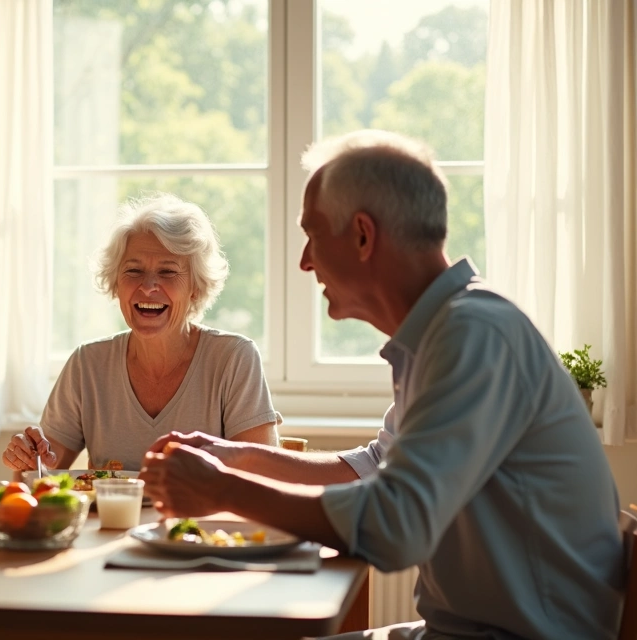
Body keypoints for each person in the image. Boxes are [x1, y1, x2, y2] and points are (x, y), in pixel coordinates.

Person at [140, 130, 624, 640]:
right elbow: (374, 467)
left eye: (313, 234)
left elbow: (395, 526)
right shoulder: (444, 331)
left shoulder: (473, 335)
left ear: (363, 236)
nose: (305, 261)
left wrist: (220, 488)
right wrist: (234, 457)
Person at [2, 194, 280, 474]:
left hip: (198, 519)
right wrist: (27, 457)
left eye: (168, 272)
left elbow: (263, 478)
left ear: (195, 286)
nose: (148, 287)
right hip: (109, 520)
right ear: (116, 283)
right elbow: (38, 477)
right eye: (133, 271)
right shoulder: (88, 364)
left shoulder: (234, 359)